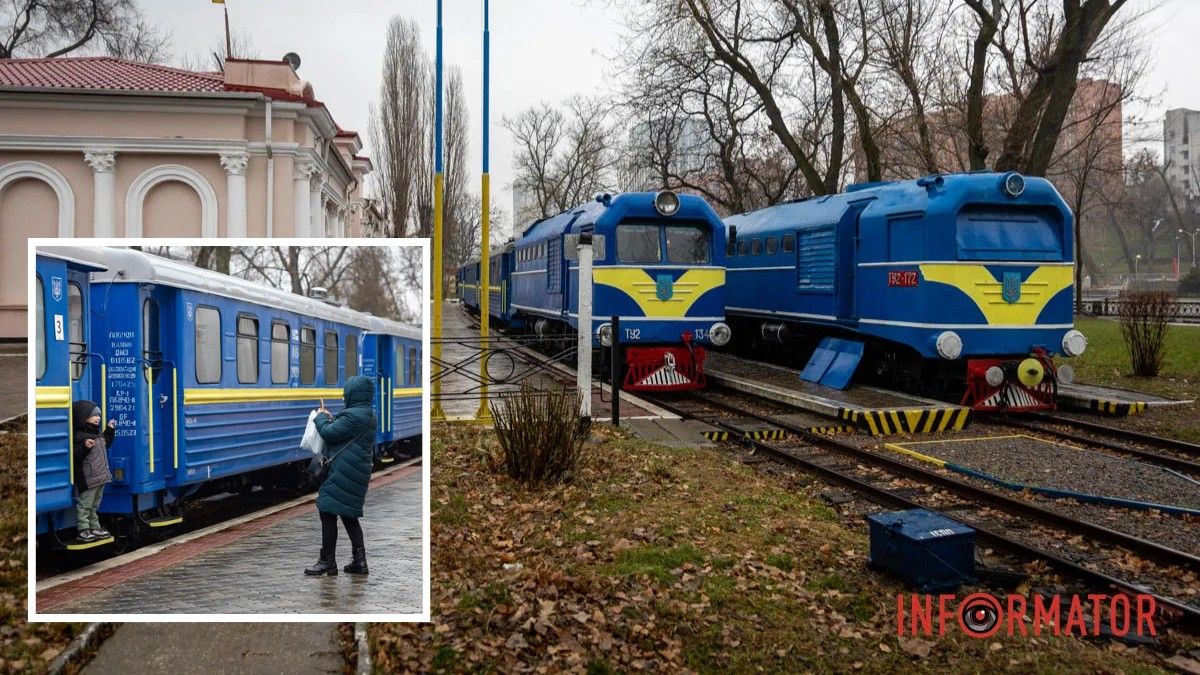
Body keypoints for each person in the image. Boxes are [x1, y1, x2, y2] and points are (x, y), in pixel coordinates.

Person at [304, 375, 377, 576]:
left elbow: (329, 433)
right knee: (348, 514)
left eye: (347, 391)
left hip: (345, 471)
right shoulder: (366, 413)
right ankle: (359, 562)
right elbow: (340, 429)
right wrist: (331, 418)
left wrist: (319, 416)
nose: (345, 395)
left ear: (354, 394)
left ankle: (327, 561)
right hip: (355, 471)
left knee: (326, 510)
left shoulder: (354, 415)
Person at [72, 400, 115, 542]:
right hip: (88, 478)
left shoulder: (97, 434)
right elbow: (76, 455)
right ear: (83, 417)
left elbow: (105, 443)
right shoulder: (80, 436)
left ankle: (94, 528)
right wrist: (84, 447)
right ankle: (83, 530)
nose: (98, 418)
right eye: (95, 415)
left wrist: (109, 430)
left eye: (99, 416)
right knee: (85, 506)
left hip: (100, 477)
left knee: (94, 505)